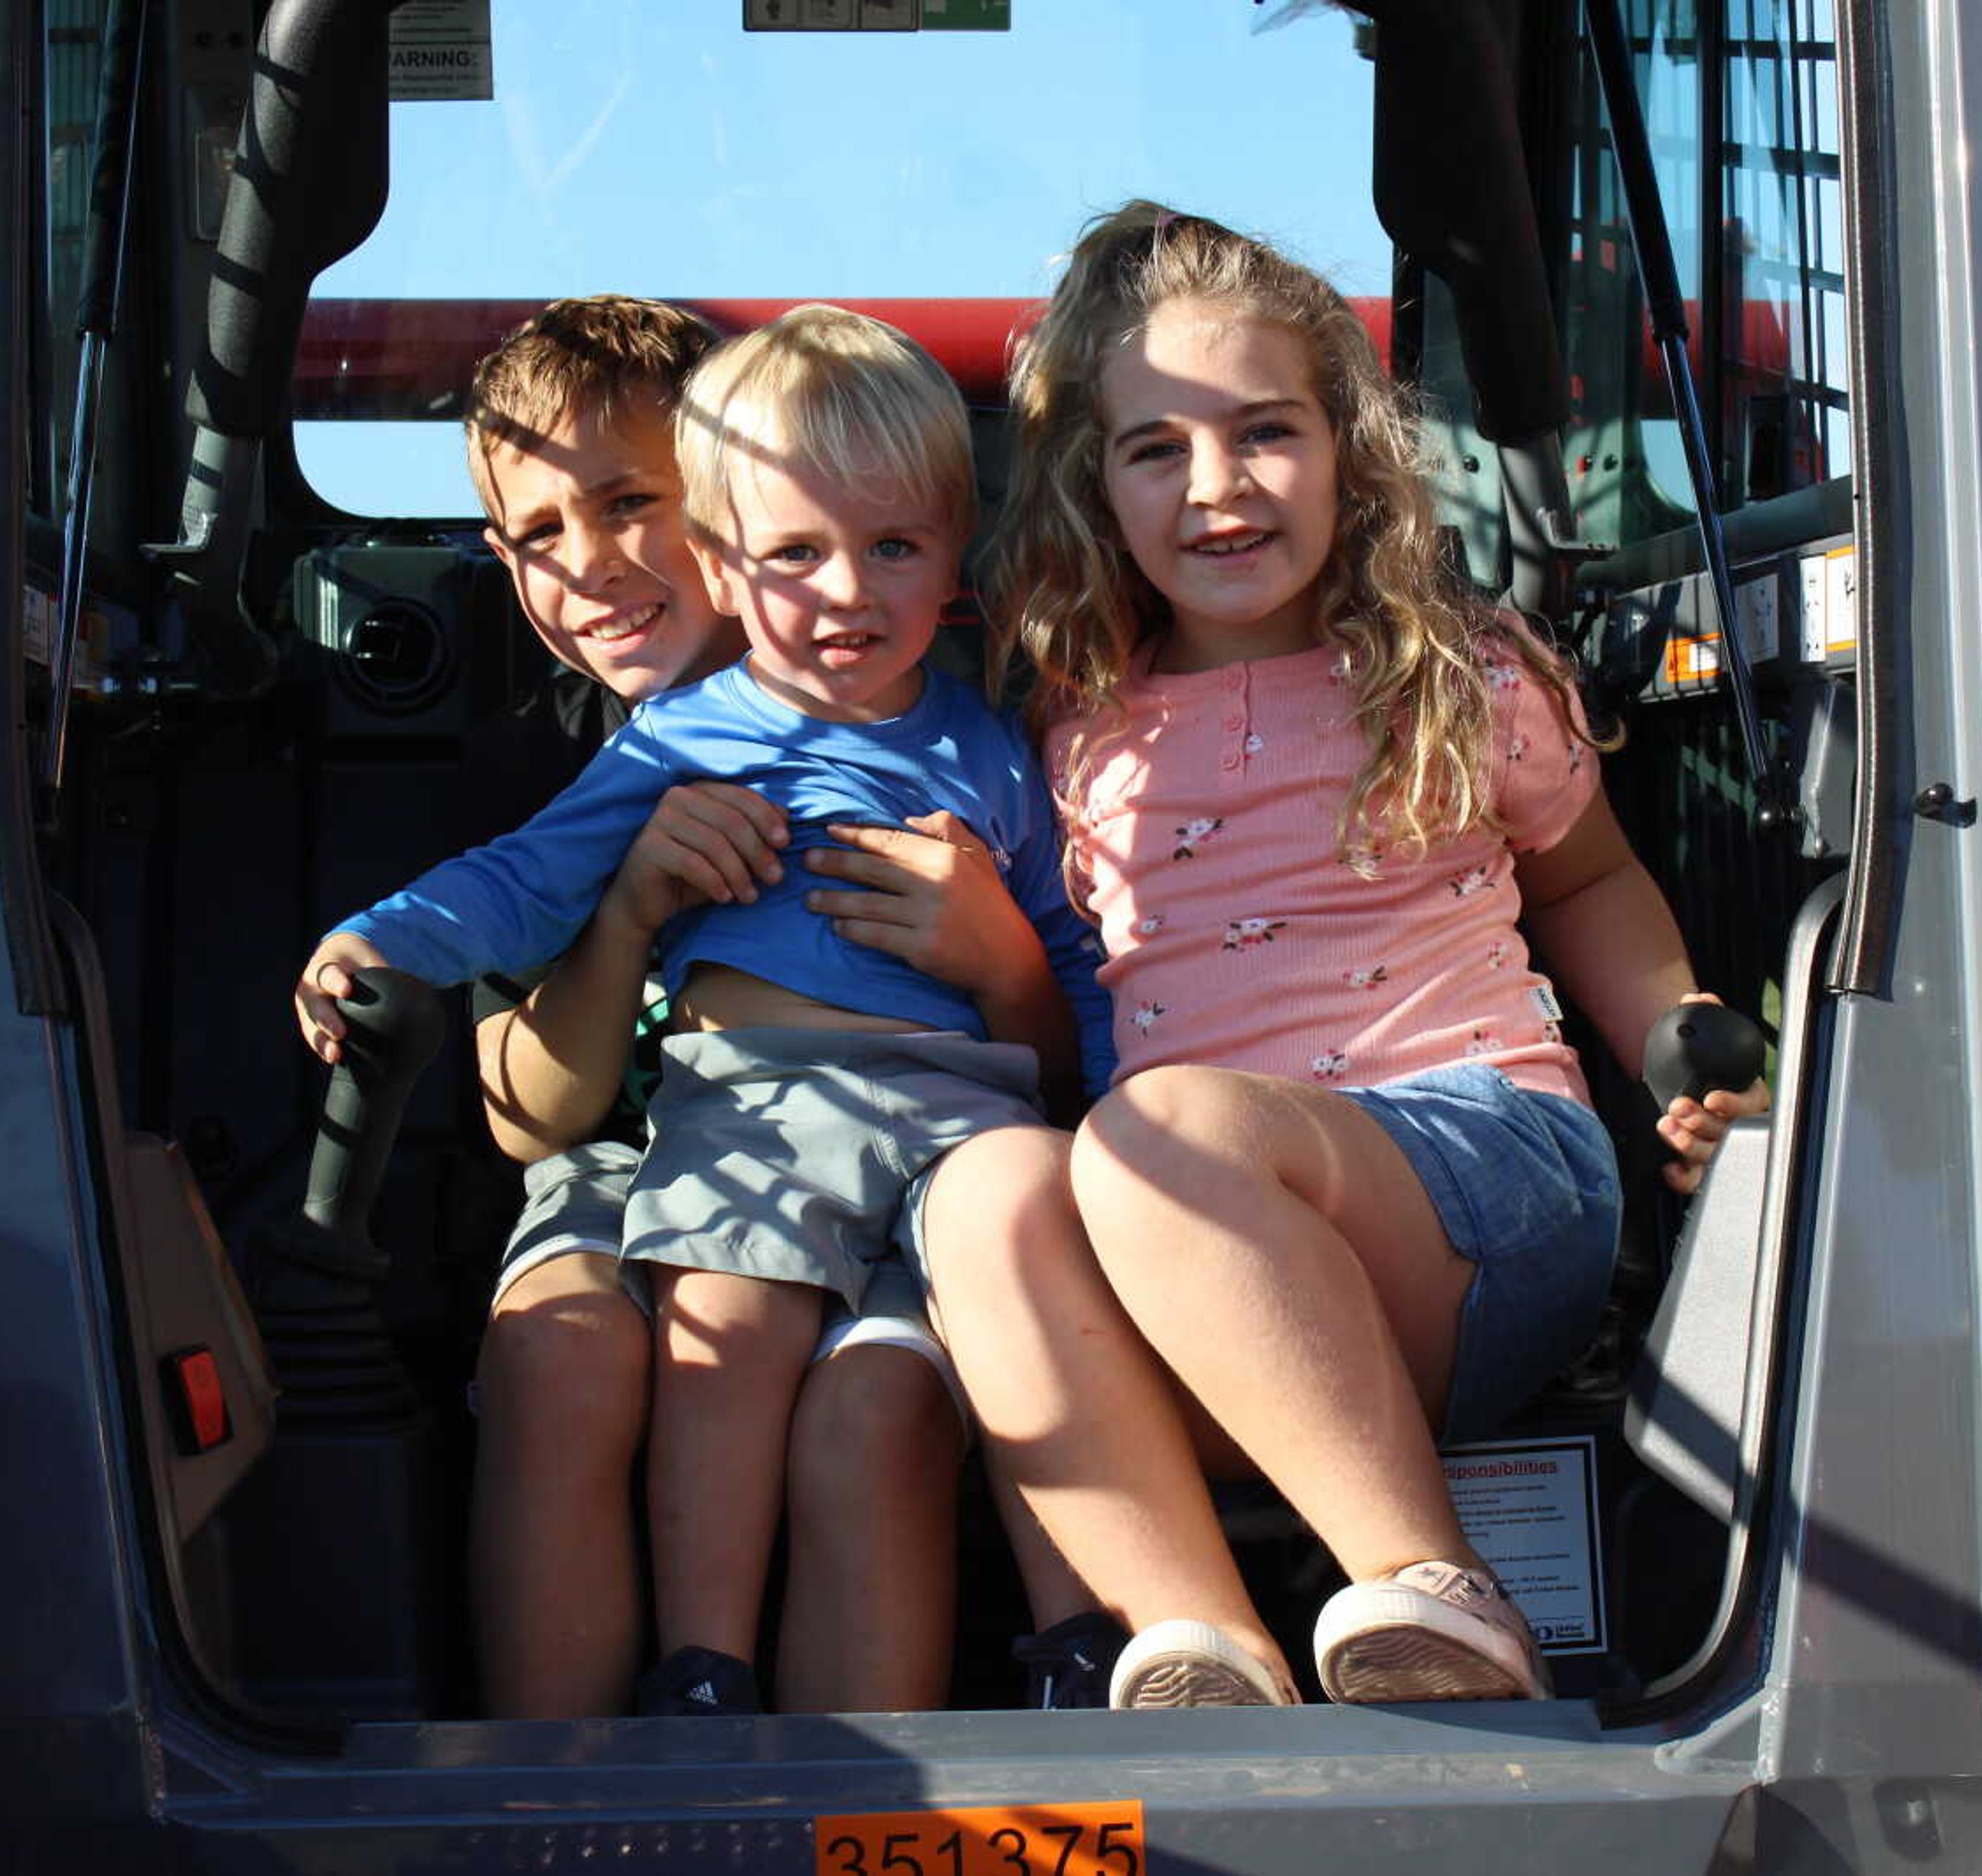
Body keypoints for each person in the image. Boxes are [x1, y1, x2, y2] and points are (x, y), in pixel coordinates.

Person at [921, 201, 1764, 1710]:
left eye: (1265, 433)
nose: (1218, 487)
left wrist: (1681, 1038)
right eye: (1155, 449)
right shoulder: (1075, 721)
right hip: (1200, 1251)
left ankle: (1437, 1595)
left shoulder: (1458, 671)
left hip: (1478, 1185)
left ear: (1350, 449)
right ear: (1091, 486)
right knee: (987, 1192)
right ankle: (1200, 1646)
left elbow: (1588, 881)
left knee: (1159, 1137)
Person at [295, 304, 1116, 1717]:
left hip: (937, 1118)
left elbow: (1068, 1015)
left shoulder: (979, 742)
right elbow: (526, 1116)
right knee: (574, 1354)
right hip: (665, 1131)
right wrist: (621, 912)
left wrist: (1001, 958)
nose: (594, 563)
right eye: (541, 532)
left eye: (630, 504)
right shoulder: (577, 754)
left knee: (880, 1410)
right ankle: (606, 1764)